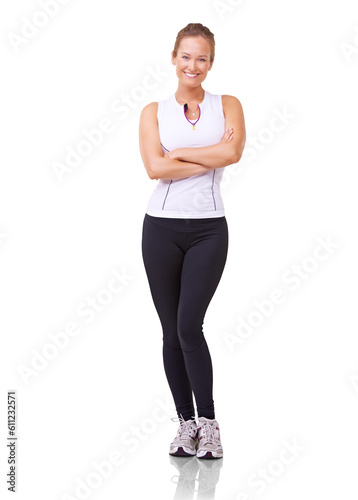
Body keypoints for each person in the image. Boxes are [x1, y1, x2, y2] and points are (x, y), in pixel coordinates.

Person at [139, 23, 246, 459]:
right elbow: (153, 169)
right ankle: (186, 426)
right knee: (170, 332)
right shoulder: (153, 111)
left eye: (202, 58)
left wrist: (177, 156)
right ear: (173, 58)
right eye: (186, 56)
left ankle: (210, 425)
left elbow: (233, 154)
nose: (193, 65)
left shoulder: (229, 105)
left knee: (189, 326)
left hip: (208, 229)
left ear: (211, 63)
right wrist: (206, 155)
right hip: (160, 228)